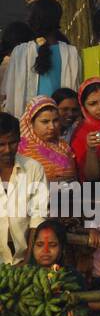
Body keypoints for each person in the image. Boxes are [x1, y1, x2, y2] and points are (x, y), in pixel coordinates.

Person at [2, 0, 81, 112]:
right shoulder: (71, 53)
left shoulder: (20, 52)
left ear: (32, 21)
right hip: (60, 121)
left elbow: (7, 93)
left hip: (27, 121)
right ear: (58, 20)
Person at [0, 111, 48, 266]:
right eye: (1, 144)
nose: (7, 149)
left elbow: (38, 217)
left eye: (12, 143)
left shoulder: (34, 168)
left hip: (24, 255)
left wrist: (28, 260)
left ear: (19, 140)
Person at [16, 95, 77, 182]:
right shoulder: (22, 149)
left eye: (55, 120)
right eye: (45, 122)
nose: (52, 127)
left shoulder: (63, 145)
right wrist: (52, 183)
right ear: (31, 122)